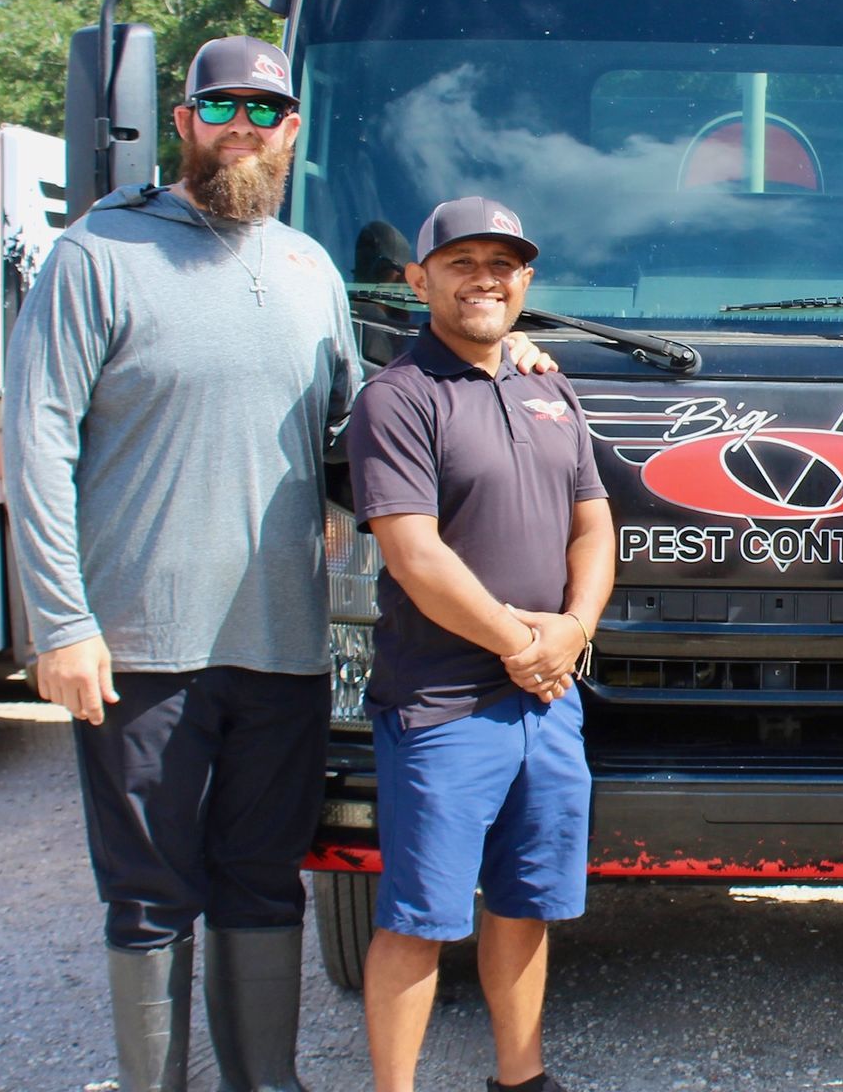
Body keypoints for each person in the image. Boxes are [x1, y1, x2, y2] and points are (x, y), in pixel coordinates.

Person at [4, 35, 358, 1092]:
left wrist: (499, 361)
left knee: (261, 880)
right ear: (183, 122)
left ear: (293, 130)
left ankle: (267, 1080)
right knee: (151, 891)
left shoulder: (309, 268)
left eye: (265, 110)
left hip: (282, 645)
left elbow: (357, 439)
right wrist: (61, 624)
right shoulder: (97, 255)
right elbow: (36, 442)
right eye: (221, 108)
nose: (242, 128)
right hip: (138, 646)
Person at [347, 196, 615, 1092]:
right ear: (419, 279)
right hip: (443, 707)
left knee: (525, 904)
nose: (485, 279)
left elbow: (594, 523)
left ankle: (522, 1077)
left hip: (547, 700)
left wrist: (574, 630)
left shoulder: (549, 387)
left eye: (503, 263)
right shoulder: (396, 398)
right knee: (420, 917)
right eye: (462, 263)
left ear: (526, 280)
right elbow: (412, 553)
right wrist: (521, 642)